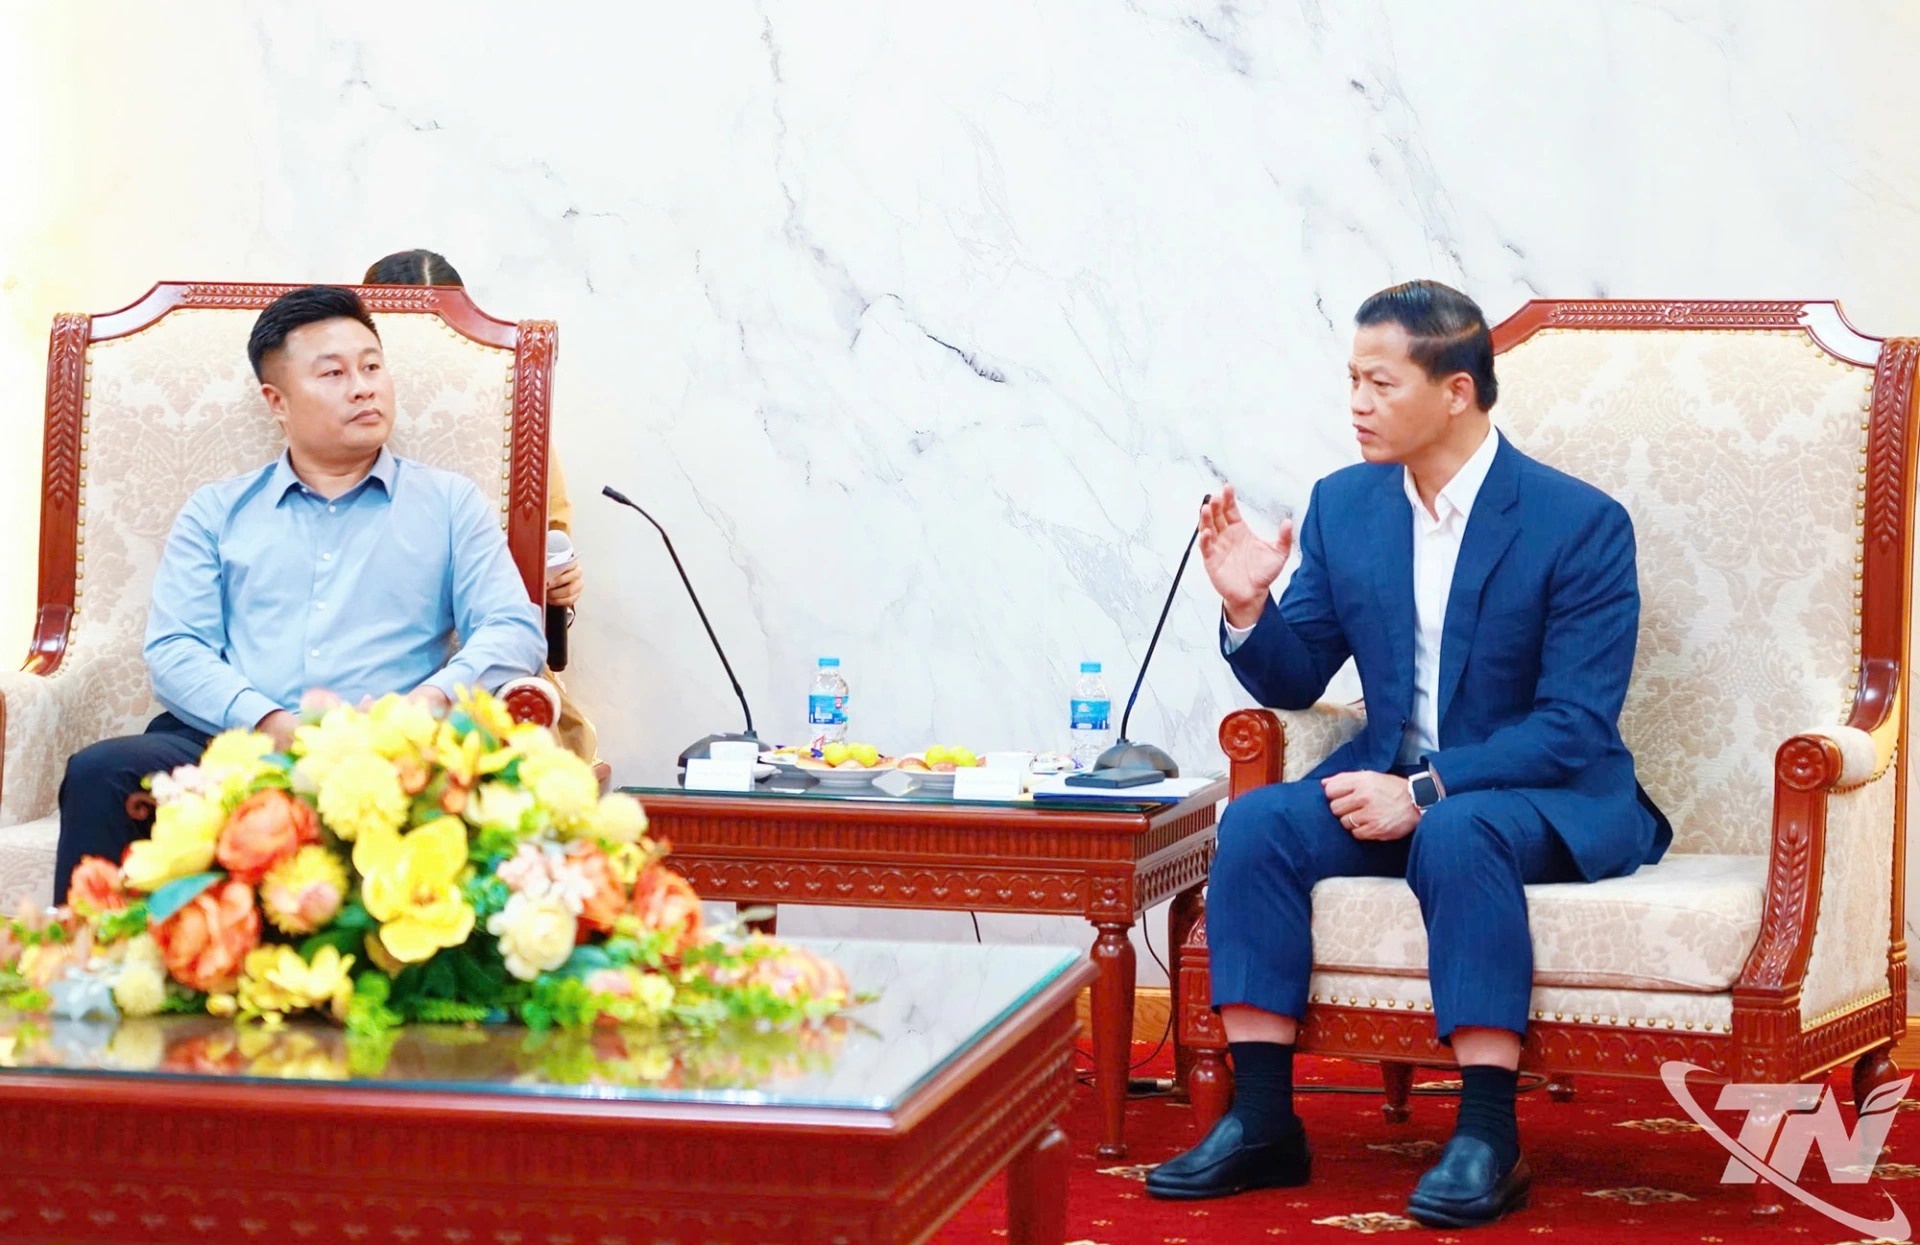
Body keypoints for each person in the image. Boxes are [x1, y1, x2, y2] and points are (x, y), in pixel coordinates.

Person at [1145, 281, 1670, 1228]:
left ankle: (1487, 1134)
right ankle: (1263, 1121)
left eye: (1380, 384)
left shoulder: (1578, 523)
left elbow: (1575, 724)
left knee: (1458, 831)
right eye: (1352, 379)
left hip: (1538, 792)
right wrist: (1249, 608)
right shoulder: (1346, 506)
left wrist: (1424, 790)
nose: (1357, 403)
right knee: (1257, 822)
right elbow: (1299, 672)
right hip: (1392, 778)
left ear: (1457, 391)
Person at [52, 286, 546, 900]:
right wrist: (268, 722)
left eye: (372, 366)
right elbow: (176, 649)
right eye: (333, 373)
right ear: (277, 401)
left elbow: (512, 629)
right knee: (101, 772)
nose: (363, 388)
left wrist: (429, 702)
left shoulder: (449, 504)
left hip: (394, 753)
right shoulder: (217, 511)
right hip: (236, 743)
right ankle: (85, 957)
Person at [363, 249, 598, 766]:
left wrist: (556, 586)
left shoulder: (505, 424)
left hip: (480, 667)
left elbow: (549, 544)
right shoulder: (332, 421)